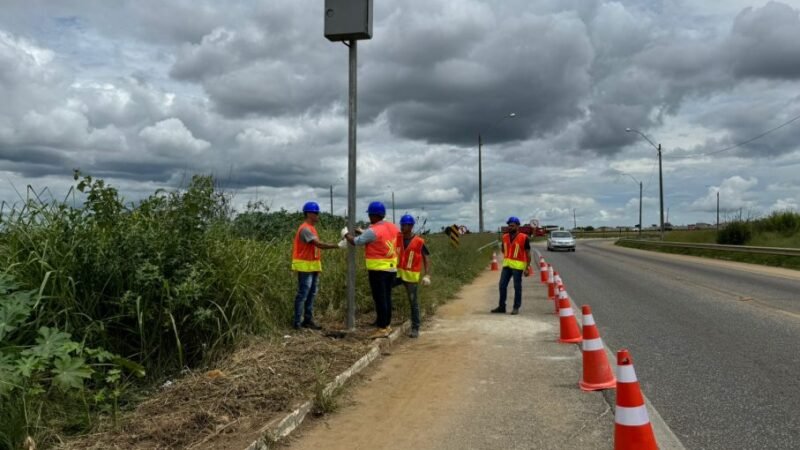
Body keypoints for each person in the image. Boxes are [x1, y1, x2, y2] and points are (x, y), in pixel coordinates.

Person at [345, 201, 400, 338]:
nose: (369, 218)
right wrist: (363, 232)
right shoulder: (392, 227)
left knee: (380, 299)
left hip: (378, 270)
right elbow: (380, 238)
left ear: (374, 215)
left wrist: (345, 234)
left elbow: (356, 241)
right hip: (391, 269)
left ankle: (382, 328)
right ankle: (387, 325)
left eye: (370, 215)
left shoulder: (373, 230)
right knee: (387, 297)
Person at [291, 201, 341, 330]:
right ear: (308, 213)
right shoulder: (305, 229)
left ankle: (308, 320)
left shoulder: (311, 228)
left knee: (311, 293)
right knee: (303, 294)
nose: (318, 215)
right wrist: (338, 245)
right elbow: (319, 244)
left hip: (312, 266)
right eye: (316, 213)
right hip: (305, 266)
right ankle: (297, 323)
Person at [394, 214, 431, 338]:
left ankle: (415, 328)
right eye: (401, 225)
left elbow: (426, 258)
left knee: (413, 302)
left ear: (411, 226)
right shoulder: (398, 238)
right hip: (398, 274)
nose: (402, 227)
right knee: (383, 291)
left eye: (404, 225)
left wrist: (427, 274)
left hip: (411, 277)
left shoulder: (419, 241)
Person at [491, 216, 532, 315]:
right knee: (502, 285)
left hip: (517, 267)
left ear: (518, 226)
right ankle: (502, 307)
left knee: (517, 287)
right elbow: (503, 249)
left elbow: (528, 254)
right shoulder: (504, 237)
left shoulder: (524, 237)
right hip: (507, 266)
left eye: (512, 226)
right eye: (509, 225)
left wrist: (527, 268)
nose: (510, 227)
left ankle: (516, 307)